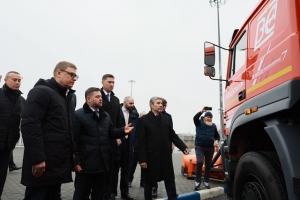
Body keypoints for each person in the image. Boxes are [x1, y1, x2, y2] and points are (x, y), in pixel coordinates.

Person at [21, 61, 78, 200]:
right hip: (43, 163)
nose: (74, 79)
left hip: (58, 162)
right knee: (37, 196)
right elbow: (31, 124)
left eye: (76, 76)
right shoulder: (41, 91)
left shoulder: (66, 98)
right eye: (71, 74)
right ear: (58, 73)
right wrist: (37, 158)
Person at [73, 87, 133, 200]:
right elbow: (73, 141)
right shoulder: (78, 115)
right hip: (86, 164)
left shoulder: (105, 115)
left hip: (102, 163)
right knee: (81, 194)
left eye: (101, 96)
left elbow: (111, 132)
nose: (101, 99)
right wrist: (76, 161)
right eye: (97, 97)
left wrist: (122, 130)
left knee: (99, 195)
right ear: (88, 99)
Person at [137, 97, 189, 200]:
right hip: (151, 157)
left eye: (161, 103)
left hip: (165, 156)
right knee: (149, 182)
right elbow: (141, 142)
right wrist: (142, 159)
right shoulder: (143, 120)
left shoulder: (166, 119)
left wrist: (183, 147)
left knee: (170, 180)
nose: (161, 105)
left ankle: (172, 198)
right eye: (158, 103)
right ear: (151, 105)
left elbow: (172, 135)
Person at [0, 71, 25, 199]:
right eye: (14, 80)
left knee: (1, 178)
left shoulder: (21, 100)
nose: (17, 82)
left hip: (7, 146)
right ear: (5, 80)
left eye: (19, 80)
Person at [111, 96, 138, 200]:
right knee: (115, 170)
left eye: (133, 103)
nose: (132, 105)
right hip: (118, 143)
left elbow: (136, 131)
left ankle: (124, 193)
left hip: (128, 145)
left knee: (126, 170)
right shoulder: (116, 110)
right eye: (130, 103)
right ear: (125, 102)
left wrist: (134, 144)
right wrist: (116, 138)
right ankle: (113, 192)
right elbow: (113, 125)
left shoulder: (134, 113)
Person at [100, 74, 122, 200]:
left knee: (112, 170)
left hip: (112, 140)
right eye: (109, 82)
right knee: (100, 169)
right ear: (102, 82)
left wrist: (118, 135)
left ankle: (110, 194)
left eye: (113, 82)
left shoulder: (116, 100)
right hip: (99, 139)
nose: (112, 84)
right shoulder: (96, 96)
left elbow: (118, 120)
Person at [150, 98, 174, 198]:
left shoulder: (168, 117)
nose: (162, 106)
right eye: (160, 104)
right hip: (154, 149)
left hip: (166, 148)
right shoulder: (149, 117)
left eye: (164, 105)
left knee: (168, 171)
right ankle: (154, 188)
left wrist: (171, 144)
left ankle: (171, 193)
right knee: (155, 170)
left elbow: (171, 132)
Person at [193, 107, 220, 190]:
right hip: (199, 147)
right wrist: (201, 111)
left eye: (210, 117)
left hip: (210, 148)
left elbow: (217, 135)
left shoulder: (213, 125)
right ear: (204, 117)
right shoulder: (199, 123)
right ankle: (197, 182)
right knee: (200, 162)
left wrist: (216, 141)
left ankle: (206, 181)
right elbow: (195, 118)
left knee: (208, 165)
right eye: (208, 117)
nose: (209, 118)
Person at [128, 111, 147, 188]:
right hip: (136, 149)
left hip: (144, 149)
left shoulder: (147, 125)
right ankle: (129, 181)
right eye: (142, 116)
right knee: (132, 166)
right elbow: (134, 136)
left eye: (145, 116)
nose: (143, 117)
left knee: (144, 167)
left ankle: (143, 182)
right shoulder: (136, 124)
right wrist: (133, 146)